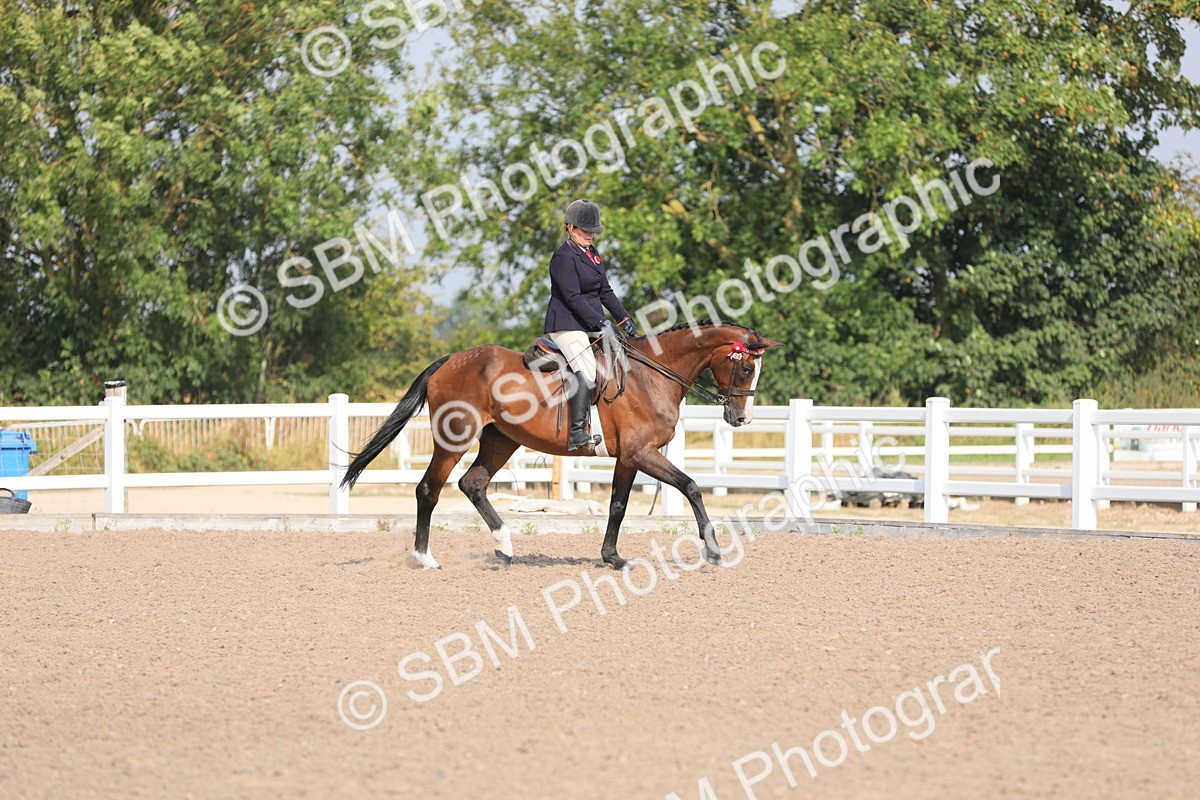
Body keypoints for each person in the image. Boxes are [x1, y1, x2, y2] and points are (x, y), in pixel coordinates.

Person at [544, 199, 638, 451]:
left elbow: (605, 291)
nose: (590, 235)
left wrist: (624, 319)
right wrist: (601, 322)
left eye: (593, 231)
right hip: (567, 324)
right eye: (585, 230)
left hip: (590, 322)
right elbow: (572, 297)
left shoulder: (592, 254)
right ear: (570, 228)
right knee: (586, 366)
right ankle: (577, 432)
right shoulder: (563, 257)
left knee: (623, 356)